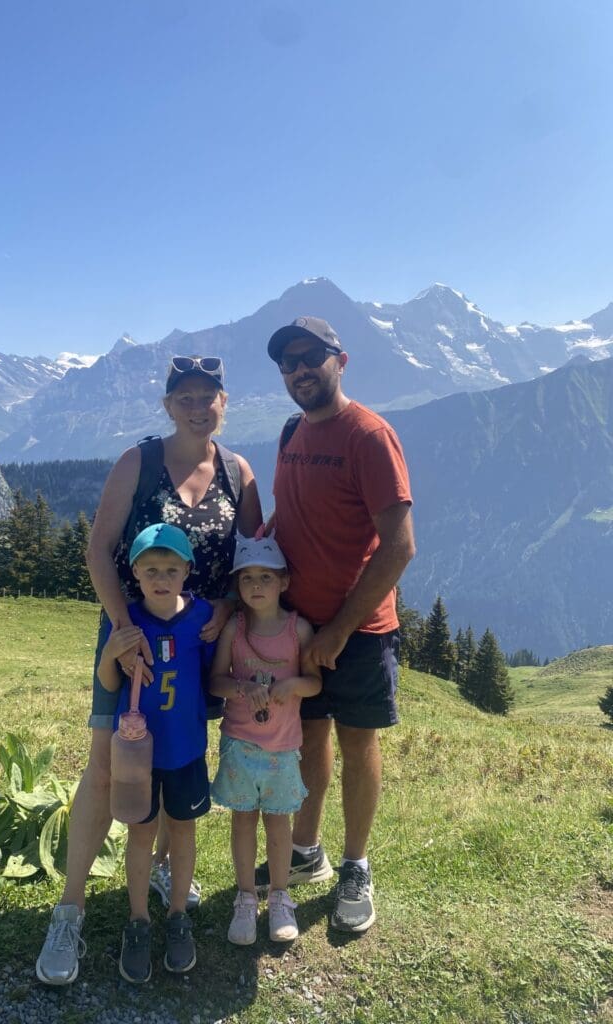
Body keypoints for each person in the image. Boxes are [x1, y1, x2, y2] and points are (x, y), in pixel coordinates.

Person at [36, 354, 262, 985]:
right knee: (108, 767)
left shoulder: (239, 474)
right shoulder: (137, 463)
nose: (197, 406)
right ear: (168, 405)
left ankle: (161, 867)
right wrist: (123, 630)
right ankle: (70, 910)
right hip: (129, 642)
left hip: (197, 643)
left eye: (208, 395)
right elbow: (100, 552)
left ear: (224, 401)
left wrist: (225, 606)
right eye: (184, 396)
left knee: (174, 755)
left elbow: (249, 562)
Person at [256, 316, 415, 935]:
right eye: (286, 362)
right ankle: (306, 850)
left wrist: (340, 630)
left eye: (309, 357)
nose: (298, 369)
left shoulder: (370, 435)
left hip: (359, 629)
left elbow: (399, 546)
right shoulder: (292, 431)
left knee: (357, 741)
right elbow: (287, 519)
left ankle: (355, 865)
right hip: (297, 623)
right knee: (309, 738)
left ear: (340, 360)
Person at [98, 522, 214, 982]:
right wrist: (112, 653)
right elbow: (110, 684)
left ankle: (178, 914)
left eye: (170, 568)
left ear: (187, 570)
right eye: (151, 569)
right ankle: (139, 920)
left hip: (186, 748)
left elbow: (211, 679)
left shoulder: (202, 616)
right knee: (141, 836)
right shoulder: (124, 618)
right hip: (137, 759)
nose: (161, 578)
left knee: (183, 833)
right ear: (135, 573)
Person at [209, 531, 321, 945]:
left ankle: (279, 896)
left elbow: (314, 683)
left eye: (266, 578)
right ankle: (244, 897)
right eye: (247, 579)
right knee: (242, 820)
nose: (256, 586)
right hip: (239, 743)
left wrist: (292, 685)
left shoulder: (299, 630)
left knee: (278, 822)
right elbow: (216, 681)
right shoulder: (234, 630)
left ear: (284, 582)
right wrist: (240, 688)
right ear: (238, 585)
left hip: (283, 747)